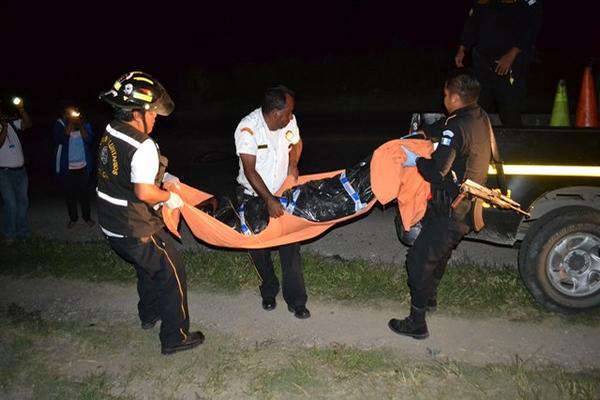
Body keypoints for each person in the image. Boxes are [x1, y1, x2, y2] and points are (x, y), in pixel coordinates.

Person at [97, 71, 204, 355]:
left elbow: (126, 171)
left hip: (111, 224)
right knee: (172, 271)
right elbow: (144, 192)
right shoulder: (144, 145)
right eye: (153, 112)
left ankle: (149, 314)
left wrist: (166, 177)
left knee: (148, 267)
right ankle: (175, 337)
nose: (156, 118)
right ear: (137, 112)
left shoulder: (111, 131)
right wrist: (169, 198)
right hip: (135, 227)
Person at [389, 69, 492, 339]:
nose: (443, 98)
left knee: (418, 261)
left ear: (456, 98)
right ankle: (430, 297)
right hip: (467, 206)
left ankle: (417, 322)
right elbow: (443, 128)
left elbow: (436, 172)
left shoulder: (456, 127)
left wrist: (416, 160)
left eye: (446, 94)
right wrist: (421, 135)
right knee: (440, 254)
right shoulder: (478, 117)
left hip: (450, 208)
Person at [234, 85, 310, 319]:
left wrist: (293, 163)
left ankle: (296, 300)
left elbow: (296, 143)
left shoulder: (288, 121)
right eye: (287, 113)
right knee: (259, 250)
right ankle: (268, 291)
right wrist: (268, 200)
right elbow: (249, 170)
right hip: (253, 196)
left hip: (283, 192)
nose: (291, 117)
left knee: (291, 248)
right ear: (275, 113)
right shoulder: (248, 129)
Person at [454, 0, 543, 127]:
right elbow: (474, 19)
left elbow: (533, 25)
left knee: (509, 109)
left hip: (510, 61)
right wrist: (462, 47)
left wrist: (513, 53)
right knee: (477, 107)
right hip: (482, 59)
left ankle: (516, 142)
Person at [53, 105, 96, 228]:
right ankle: (73, 218)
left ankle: (87, 217)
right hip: (68, 167)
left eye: (75, 112)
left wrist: (80, 125)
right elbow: (60, 140)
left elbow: (89, 140)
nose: (73, 115)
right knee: (70, 195)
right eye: (69, 113)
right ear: (64, 114)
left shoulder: (85, 124)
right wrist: (71, 123)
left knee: (85, 195)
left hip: (83, 166)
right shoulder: (60, 125)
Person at [0, 97, 32, 243]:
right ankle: (10, 233)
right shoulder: (5, 126)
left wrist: (21, 109)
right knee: (11, 204)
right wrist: (4, 127)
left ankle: (22, 232)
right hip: (4, 173)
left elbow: (27, 124)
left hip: (21, 171)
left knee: (23, 202)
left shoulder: (12, 124)